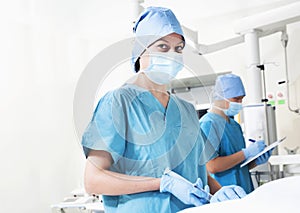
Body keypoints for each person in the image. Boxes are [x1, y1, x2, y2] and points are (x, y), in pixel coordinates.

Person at [81, 7, 246, 213]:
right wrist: (161, 183)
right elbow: (93, 180)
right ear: (141, 50)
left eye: (178, 49)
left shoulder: (186, 110)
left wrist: (221, 194)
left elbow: (198, 174)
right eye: (162, 46)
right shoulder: (118, 103)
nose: (173, 55)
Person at [199, 73, 273, 194]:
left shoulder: (235, 126)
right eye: (236, 99)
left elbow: (237, 166)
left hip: (244, 192)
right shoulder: (208, 124)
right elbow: (211, 166)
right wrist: (246, 153)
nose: (239, 103)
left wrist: (255, 161)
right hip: (224, 194)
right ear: (220, 97)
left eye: (241, 99)